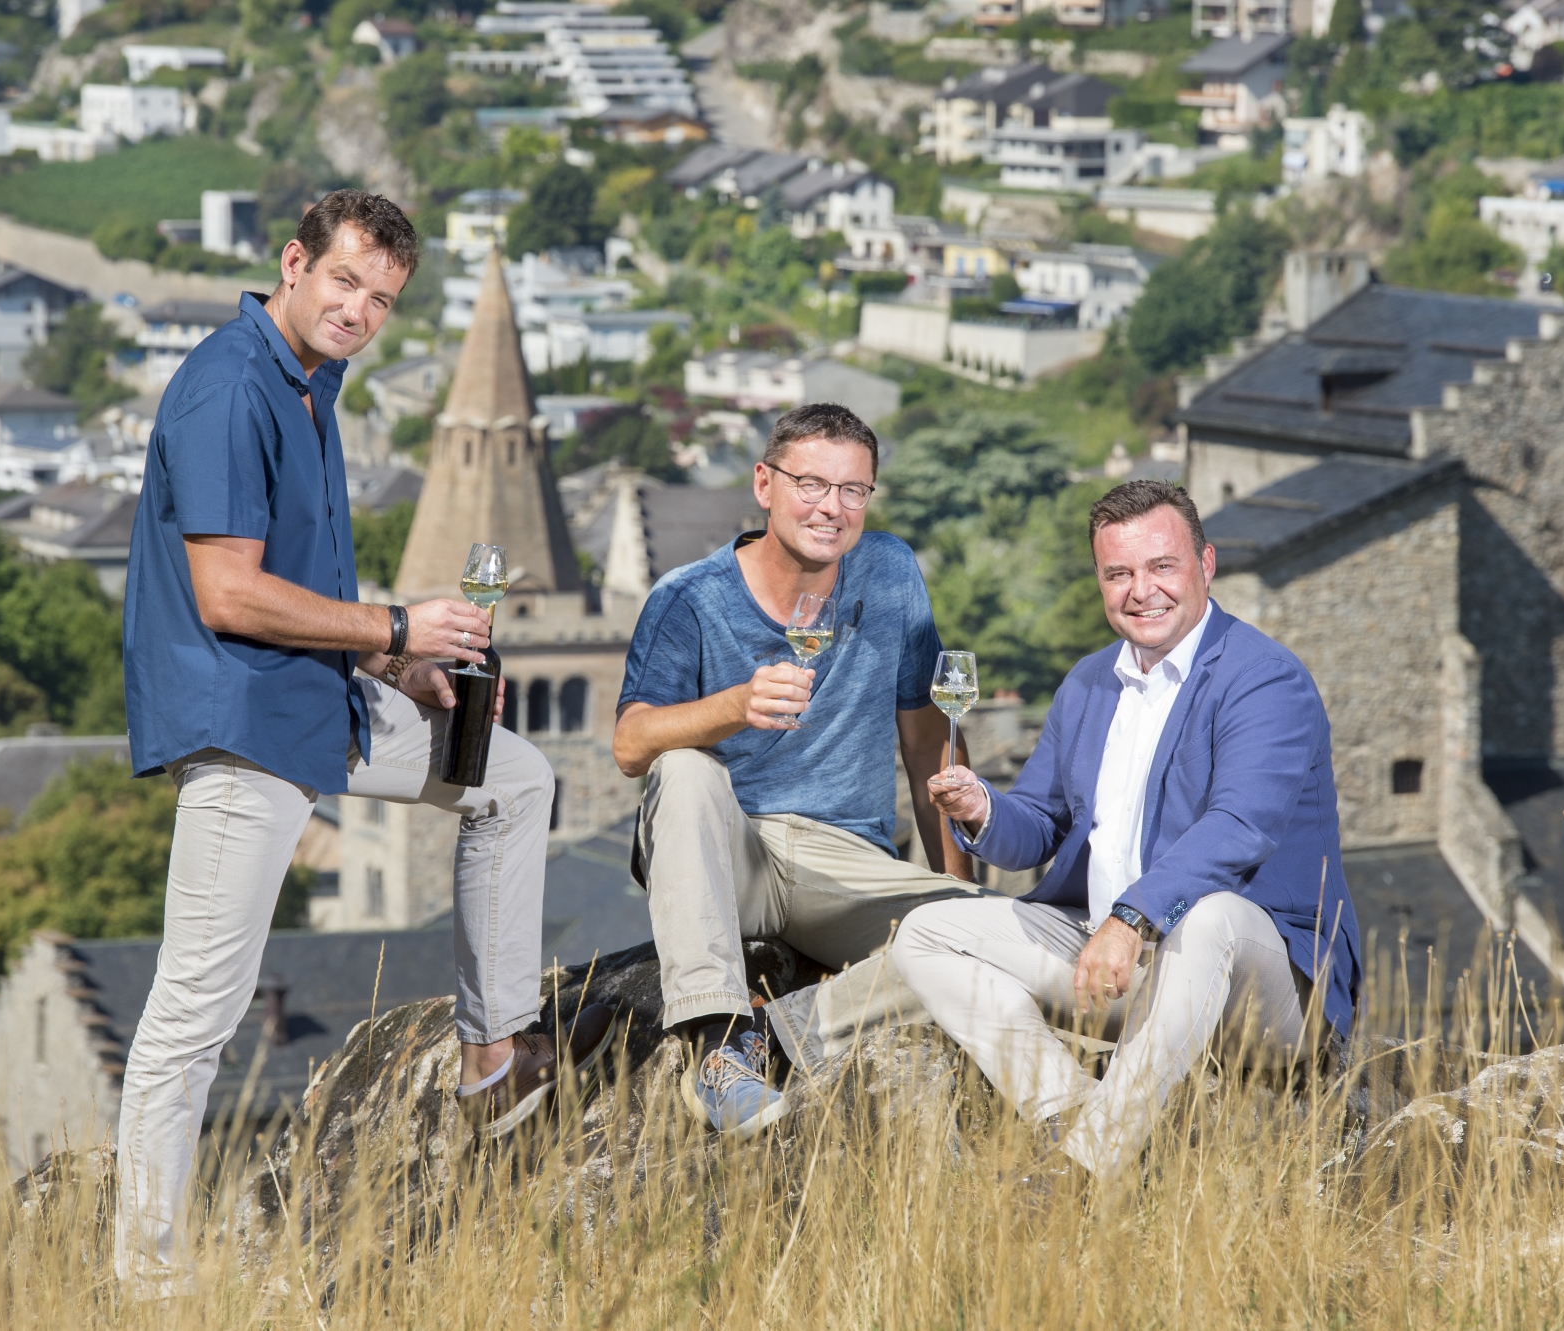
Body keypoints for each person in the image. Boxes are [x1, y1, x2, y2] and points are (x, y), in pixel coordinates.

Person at [117, 190, 612, 1293]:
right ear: (293, 264)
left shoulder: (306, 385)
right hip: (247, 724)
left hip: (318, 701)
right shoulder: (230, 387)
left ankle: (492, 1048)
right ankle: (143, 1280)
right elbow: (229, 594)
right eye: (342, 282)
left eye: (380, 298)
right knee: (196, 1006)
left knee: (508, 773)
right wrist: (395, 624)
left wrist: (389, 666)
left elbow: (291, 589)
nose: (357, 309)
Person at [891, 479, 1360, 1177]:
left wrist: (1129, 918)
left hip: (1265, 989)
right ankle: (1071, 1111)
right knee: (927, 932)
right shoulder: (1088, 684)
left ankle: (1085, 1170)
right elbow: (1042, 823)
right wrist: (983, 808)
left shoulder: (1265, 680)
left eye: (1161, 566)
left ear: (1205, 564)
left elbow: (1239, 828)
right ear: (1101, 580)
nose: (1142, 590)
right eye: (1119, 573)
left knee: (1212, 918)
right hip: (1119, 967)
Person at [613, 403, 985, 1137]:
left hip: (844, 859)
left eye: (854, 490)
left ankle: (782, 1027)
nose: (832, 508)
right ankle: (717, 1049)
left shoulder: (890, 571)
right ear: (764, 483)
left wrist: (956, 894)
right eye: (811, 483)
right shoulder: (687, 598)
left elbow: (926, 741)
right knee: (682, 768)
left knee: (993, 939)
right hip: (731, 853)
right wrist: (735, 704)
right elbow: (630, 745)